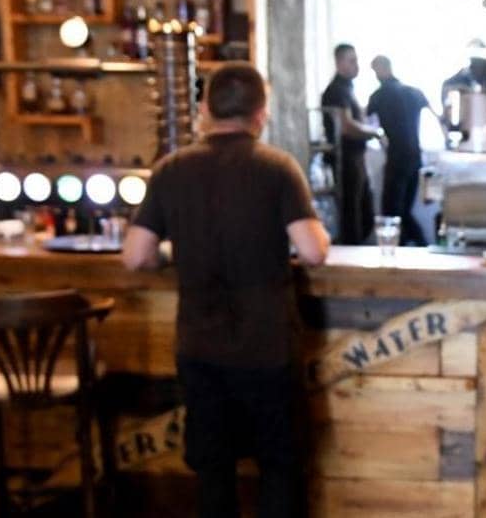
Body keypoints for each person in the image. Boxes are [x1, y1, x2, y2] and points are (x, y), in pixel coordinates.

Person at [122, 63, 330, 518]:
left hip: (200, 348)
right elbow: (313, 251)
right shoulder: (277, 167)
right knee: (279, 468)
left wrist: (171, 254)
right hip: (267, 347)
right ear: (261, 114)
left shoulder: (171, 169)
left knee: (213, 472)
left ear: (204, 110)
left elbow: (136, 255)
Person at [321, 43, 383, 244]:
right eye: (352, 61)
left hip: (356, 157)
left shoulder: (347, 89)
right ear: (339, 63)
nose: (357, 65)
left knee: (365, 214)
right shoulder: (336, 91)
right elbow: (346, 127)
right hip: (346, 160)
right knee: (352, 215)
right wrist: (374, 133)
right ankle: (351, 256)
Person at [367, 55, 430, 246]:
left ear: (381, 69)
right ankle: (420, 246)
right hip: (415, 157)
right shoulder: (414, 93)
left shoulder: (378, 96)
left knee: (392, 212)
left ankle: (417, 246)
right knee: (403, 211)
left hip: (396, 158)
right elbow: (436, 118)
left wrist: (380, 138)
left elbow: (367, 125)